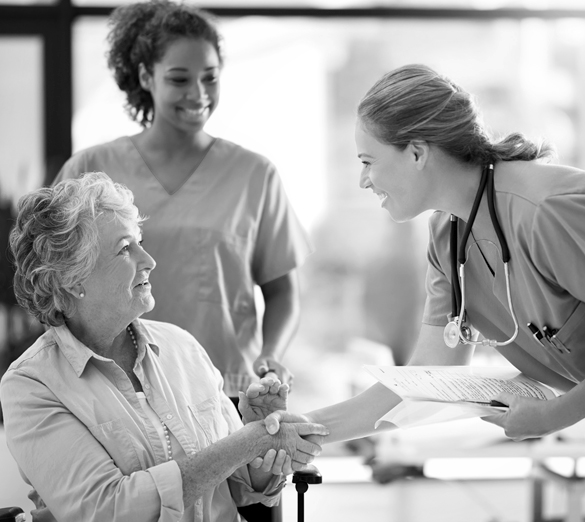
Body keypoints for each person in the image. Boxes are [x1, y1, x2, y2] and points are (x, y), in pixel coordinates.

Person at [255, 63, 585, 445]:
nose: (363, 180)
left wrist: (554, 415)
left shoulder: (545, 210)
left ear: (416, 153)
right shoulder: (448, 237)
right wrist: (302, 428)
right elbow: (426, 379)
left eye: (367, 162)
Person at [0, 172, 327, 522]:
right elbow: (110, 510)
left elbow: (239, 488)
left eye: (140, 242)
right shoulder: (31, 386)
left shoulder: (182, 347)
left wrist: (260, 450)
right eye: (126, 248)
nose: (149, 260)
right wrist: (246, 443)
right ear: (70, 280)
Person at [54, 0, 311, 402]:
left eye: (210, 78)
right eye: (179, 79)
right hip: (117, 394)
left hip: (226, 395)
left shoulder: (254, 175)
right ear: (146, 76)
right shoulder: (90, 168)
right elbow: (54, 283)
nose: (198, 94)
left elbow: (283, 291)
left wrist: (272, 354)